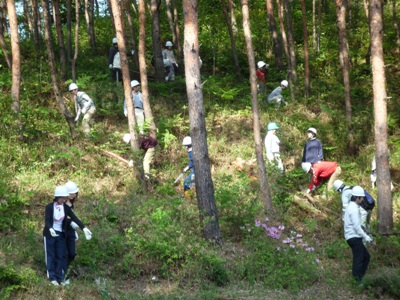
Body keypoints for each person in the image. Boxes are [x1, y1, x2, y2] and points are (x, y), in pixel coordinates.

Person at [43, 185, 92, 286]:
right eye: (62, 198)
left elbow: (74, 218)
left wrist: (84, 228)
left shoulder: (65, 208)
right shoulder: (49, 207)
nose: (64, 200)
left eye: (65, 198)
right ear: (57, 197)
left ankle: (60, 277)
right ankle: (52, 277)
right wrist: (50, 228)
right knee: (51, 255)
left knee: (61, 255)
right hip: (50, 234)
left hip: (60, 234)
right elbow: (47, 220)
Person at [343, 186, 373, 283]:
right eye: (361, 197)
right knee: (359, 258)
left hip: (351, 236)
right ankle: (357, 280)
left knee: (366, 257)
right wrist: (366, 237)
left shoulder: (351, 206)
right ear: (356, 198)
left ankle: (359, 277)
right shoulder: (354, 209)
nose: (363, 199)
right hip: (354, 237)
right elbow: (356, 227)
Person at [63, 181, 81, 284]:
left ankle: (63, 269)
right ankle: (63, 275)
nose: (73, 195)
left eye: (74, 193)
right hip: (63, 231)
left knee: (72, 253)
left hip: (70, 231)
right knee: (63, 253)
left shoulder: (71, 203)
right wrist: (70, 223)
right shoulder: (61, 203)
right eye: (71, 193)